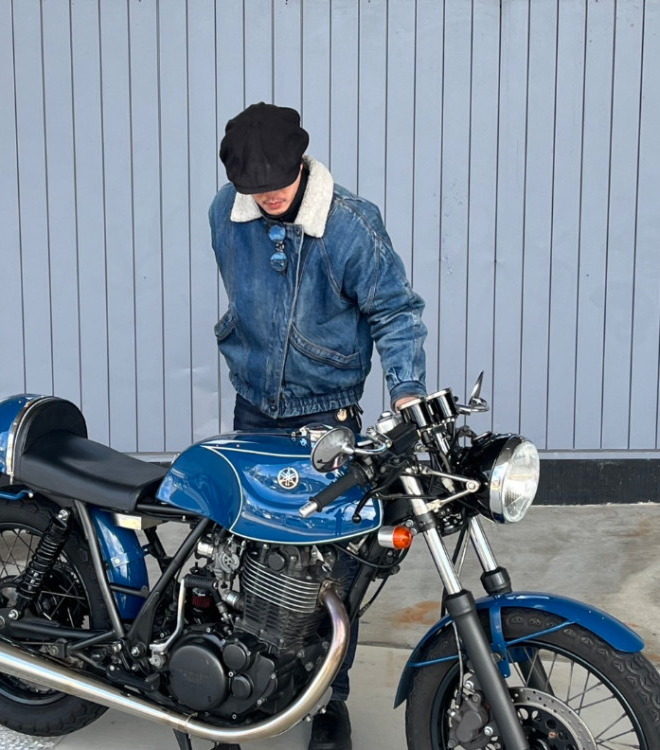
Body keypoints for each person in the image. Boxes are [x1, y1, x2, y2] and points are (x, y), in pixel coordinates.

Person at [209, 102, 427, 750]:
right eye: (255, 189)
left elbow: (395, 311)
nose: (268, 197)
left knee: (333, 576)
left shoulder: (350, 224)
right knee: (246, 556)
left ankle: (331, 700)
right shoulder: (225, 212)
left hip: (323, 415)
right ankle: (238, 688)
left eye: (278, 184)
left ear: (301, 162)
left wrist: (407, 393)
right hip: (253, 408)